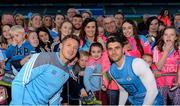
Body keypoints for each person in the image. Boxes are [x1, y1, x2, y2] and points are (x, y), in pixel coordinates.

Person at [10, 34, 86, 105]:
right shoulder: (44, 57)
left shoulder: (66, 73)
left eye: (75, 47)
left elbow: (55, 97)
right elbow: (18, 82)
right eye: (69, 45)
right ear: (61, 46)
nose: (71, 49)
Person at [106, 36, 163, 105]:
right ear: (107, 52)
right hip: (135, 103)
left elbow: (153, 91)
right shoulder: (112, 71)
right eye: (110, 49)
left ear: (123, 49)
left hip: (153, 102)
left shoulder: (137, 63)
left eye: (117, 48)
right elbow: (123, 91)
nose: (113, 52)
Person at [153, 27, 180, 105]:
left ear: (176, 37)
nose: (168, 37)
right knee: (161, 103)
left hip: (175, 82)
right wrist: (166, 52)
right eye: (166, 35)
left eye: (171, 35)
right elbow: (159, 67)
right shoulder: (157, 49)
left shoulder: (178, 49)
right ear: (162, 37)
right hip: (160, 82)